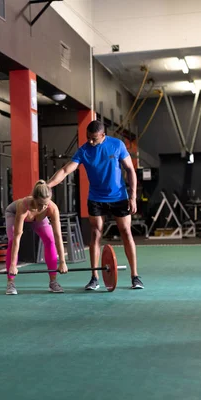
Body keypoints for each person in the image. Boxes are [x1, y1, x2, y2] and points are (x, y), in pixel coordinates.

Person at [46, 120, 143, 290]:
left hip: (119, 196)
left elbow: (130, 170)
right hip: (96, 198)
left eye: (94, 139)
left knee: (126, 232)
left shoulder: (117, 145)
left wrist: (133, 196)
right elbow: (65, 170)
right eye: (88, 138)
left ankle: (135, 276)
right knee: (95, 233)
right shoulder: (84, 150)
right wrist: (47, 185)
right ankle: (94, 277)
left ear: (103, 135)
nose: (90, 142)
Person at [4, 180, 68, 295]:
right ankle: (10, 283)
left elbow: (58, 236)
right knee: (12, 240)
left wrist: (62, 262)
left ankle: (53, 282)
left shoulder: (52, 208)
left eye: (46, 204)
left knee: (50, 240)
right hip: (14, 214)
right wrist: (13, 266)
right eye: (40, 204)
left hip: (37, 219)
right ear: (34, 199)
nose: (43, 207)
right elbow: (17, 237)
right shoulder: (23, 206)